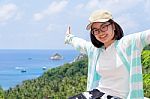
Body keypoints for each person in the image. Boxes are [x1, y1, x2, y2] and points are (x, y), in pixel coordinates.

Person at [65, 9, 150, 99]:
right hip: (98, 93)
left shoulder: (127, 43)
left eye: (104, 27)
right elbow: (81, 44)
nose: (101, 33)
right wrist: (69, 37)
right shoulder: (95, 50)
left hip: (120, 96)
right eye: (96, 30)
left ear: (113, 26)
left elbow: (146, 35)